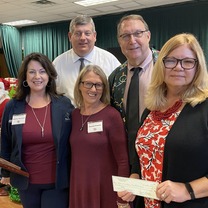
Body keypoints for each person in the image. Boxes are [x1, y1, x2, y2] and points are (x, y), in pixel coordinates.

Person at [121, 33, 208, 208]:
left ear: (197, 68)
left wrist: (187, 190)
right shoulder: (151, 109)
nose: (178, 67)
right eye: (171, 61)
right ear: (161, 65)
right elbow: (143, 157)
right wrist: (134, 179)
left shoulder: (204, 108)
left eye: (188, 62)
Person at [0, 52, 74, 208]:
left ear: (49, 75)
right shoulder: (13, 106)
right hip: (26, 183)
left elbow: (73, 141)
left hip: (57, 182)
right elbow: (6, 142)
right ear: (25, 77)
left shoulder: (64, 105)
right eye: (31, 72)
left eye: (42, 71)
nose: (37, 76)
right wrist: (5, 173)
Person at [69, 64, 130, 208]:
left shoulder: (111, 116)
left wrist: (122, 196)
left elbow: (122, 160)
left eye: (98, 85)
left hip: (105, 187)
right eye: (88, 84)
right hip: (79, 185)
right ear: (79, 85)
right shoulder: (75, 115)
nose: (93, 89)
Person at [109, 14, 159, 165]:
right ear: (119, 41)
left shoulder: (167, 68)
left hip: (163, 156)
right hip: (128, 158)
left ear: (148, 36)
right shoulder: (115, 77)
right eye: (125, 36)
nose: (132, 41)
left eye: (138, 33)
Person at [53, 15, 121, 105]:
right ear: (70, 36)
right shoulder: (58, 64)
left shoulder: (110, 61)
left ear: (94, 36)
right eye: (78, 33)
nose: (82, 38)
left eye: (87, 33)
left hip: (101, 116)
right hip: (69, 117)